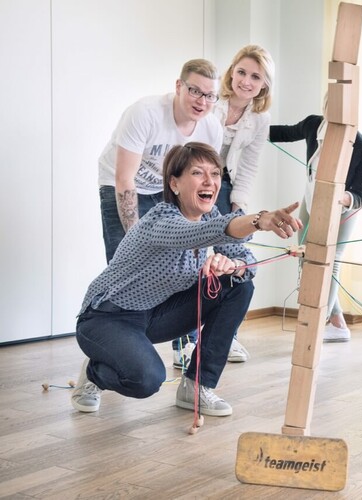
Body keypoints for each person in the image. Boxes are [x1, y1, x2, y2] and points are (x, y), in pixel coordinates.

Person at [71, 142, 302, 416]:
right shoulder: (160, 220)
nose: (210, 182)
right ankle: (94, 372)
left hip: (156, 316)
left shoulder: (211, 216)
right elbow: (200, 234)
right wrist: (260, 220)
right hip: (106, 319)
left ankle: (196, 386)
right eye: (197, 173)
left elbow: (248, 261)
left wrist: (232, 265)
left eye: (215, 174)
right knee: (146, 380)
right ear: (175, 183)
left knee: (238, 286)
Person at [96, 58, 223, 366]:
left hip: (170, 188)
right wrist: (139, 240)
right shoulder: (145, 113)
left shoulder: (211, 128)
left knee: (185, 266)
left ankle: (185, 343)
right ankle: (104, 350)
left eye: (210, 95)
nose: (201, 101)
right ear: (179, 86)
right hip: (124, 186)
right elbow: (124, 180)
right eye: (195, 91)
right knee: (128, 272)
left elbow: (203, 184)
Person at [184, 44, 275, 363]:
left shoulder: (260, 118)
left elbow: (249, 164)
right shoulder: (212, 103)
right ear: (231, 72)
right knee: (191, 257)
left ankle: (225, 335)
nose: (246, 81)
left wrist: (239, 205)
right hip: (195, 182)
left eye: (255, 76)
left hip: (227, 185)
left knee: (239, 257)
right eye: (241, 72)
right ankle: (187, 341)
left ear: (264, 84)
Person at [269, 114, 362, 342]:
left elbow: (360, 195)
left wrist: (340, 197)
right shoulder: (313, 124)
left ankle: (316, 325)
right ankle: (338, 322)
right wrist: (254, 132)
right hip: (312, 198)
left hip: (343, 206)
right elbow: (284, 133)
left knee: (331, 260)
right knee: (306, 257)